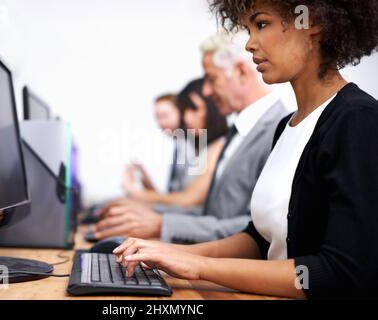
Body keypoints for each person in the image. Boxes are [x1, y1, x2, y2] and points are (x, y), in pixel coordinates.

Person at [113, 0, 378, 299]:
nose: (250, 44)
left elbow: (340, 273)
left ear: (312, 22)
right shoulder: (286, 127)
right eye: (249, 29)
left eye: (261, 24)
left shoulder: (358, 119)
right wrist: (170, 251)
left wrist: (198, 266)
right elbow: (259, 240)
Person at [95, 34, 288, 243]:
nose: (206, 90)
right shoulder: (238, 131)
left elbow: (260, 230)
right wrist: (146, 214)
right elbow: (212, 215)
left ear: (241, 71)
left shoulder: (281, 130)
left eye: (212, 79)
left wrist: (160, 223)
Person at [123, 78, 228, 208]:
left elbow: (189, 199)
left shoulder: (211, 146)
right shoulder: (185, 143)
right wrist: (147, 184)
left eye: (165, 115)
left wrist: (135, 191)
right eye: (158, 117)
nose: (161, 123)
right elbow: (175, 197)